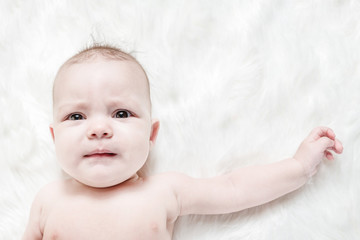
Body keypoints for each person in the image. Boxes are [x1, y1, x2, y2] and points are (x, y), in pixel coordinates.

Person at [22, 44, 343, 240]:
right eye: (76, 117)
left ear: (151, 135)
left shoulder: (163, 191)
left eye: (121, 113)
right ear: (54, 137)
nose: (99, 129)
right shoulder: (48, 200)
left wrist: (298, 166)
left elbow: (234, 188)